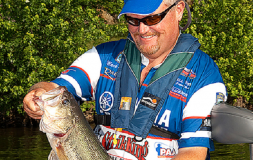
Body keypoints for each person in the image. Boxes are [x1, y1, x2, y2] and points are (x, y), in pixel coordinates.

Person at [23, 0, 227, 159]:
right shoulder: (104, 57)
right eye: (133, 20)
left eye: (152, 18)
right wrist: (37, 93)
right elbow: (55, 88)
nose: (142, 29)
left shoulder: (204, 76)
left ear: (179, 9)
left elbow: (193, 154)